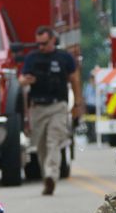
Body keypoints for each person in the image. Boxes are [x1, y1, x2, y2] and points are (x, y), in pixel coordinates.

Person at [19, 25, 83, 196]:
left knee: (53, 142)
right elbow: (21, 79)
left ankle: (51, 176)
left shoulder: (64, 58)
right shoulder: (32, 58)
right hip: (38, 108)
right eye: (38, 44)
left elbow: (74, 80)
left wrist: (77, 103)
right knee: (40, 147)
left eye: (44, 43)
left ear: (53, 40)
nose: (41, 47)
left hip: (58, 106)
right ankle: (46, 174)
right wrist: (26, 81)